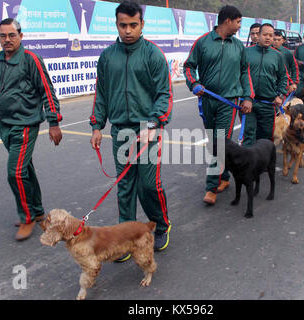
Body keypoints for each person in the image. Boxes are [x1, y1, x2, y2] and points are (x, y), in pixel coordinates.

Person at [0, 18, 63, 241]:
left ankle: (27, 217)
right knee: (25, 168)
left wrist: (54, 123)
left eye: (11, 35)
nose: (7, 40)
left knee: (15, 172)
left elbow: (47, 91)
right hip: (5, 126)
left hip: (26, 125)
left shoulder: (31, 60)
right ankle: (37, 211)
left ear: (21, 35)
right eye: (2, 36)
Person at [89, 1, 172, 259]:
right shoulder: (107, 56)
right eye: (123, 25)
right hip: (120, 132)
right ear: (116, 24)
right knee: (125, 186)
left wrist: (152, 124)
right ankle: (125, 238)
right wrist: (96, 126)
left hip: (147, 131)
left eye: (133, 25)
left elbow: (164, 95)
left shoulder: (153, 55)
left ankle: (159, 225)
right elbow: (101, 94)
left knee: (148, 185)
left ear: (142, 24)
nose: (128, 30)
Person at [184, 5, 253, 205]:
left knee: (220, 143)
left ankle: (211, 188)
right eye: (238, 22)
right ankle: (224, 177)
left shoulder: (238, 46)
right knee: (214, 141)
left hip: (229, 102)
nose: (240, 26)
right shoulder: (203, 42)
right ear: (227, 21)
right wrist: (194, 83)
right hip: (207, 100)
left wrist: (247, 97)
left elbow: (244, 73)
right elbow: (189, 67)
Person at [241, 23, 288, 148]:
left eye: (271, 35)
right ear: (258, 35)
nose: (268, 38)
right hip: (249, 102)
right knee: (249, 136)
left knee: (266, 137)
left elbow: (283, 77)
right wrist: (244, 97)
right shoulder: (246, 52)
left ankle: (264, 165)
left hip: (268, 104)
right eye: (265, 34)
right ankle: (248, 166)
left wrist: (280, 95)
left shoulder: (277, 55)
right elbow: (238, 75)